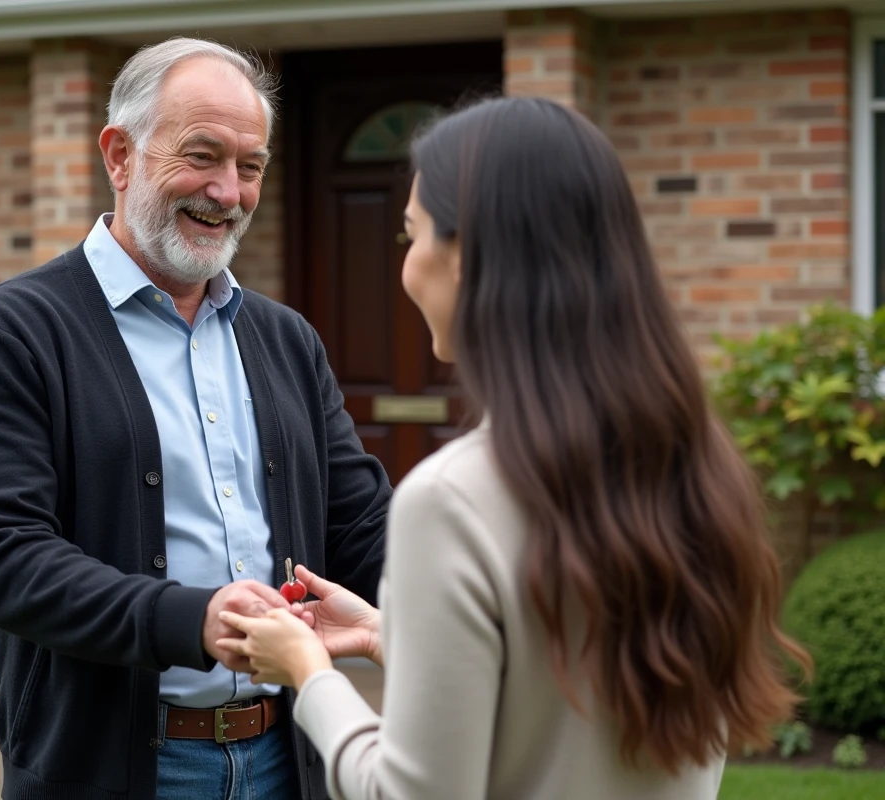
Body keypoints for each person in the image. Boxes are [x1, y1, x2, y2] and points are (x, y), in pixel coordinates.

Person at [217, 96, 811, 800]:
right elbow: (565, 696)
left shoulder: (451, 500)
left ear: (466, 256)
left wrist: (310, 673)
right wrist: (392, 637)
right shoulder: (699, 469)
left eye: (412, 237)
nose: (405, 271)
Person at [0, 37, 391, 800]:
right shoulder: (13, 330)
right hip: (116, 772)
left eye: (250, 167)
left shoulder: (286, 339)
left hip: (291, 757)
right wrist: (191, 619)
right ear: (119, 156)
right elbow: (9, 560)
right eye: (202, 156)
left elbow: (362, 526)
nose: (227, 191)